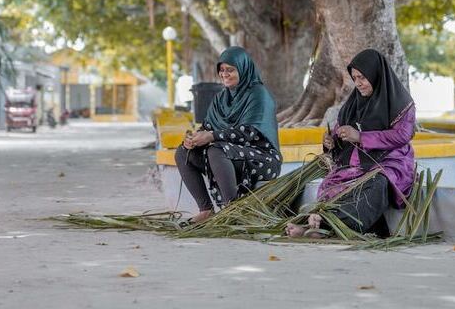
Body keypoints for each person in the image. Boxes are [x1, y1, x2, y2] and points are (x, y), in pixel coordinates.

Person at [287, 49, 416, 238]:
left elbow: (402, 135)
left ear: (376, 74)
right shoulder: (355, 102)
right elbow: (343, 130)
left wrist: (361, 137)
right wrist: (332, 141)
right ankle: (320, 225)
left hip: (389, 163)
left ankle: (326, 228)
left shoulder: (401, 102)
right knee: (331, 185)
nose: (358, 83)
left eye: (362, 77)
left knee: (377, 185)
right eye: (354, 78)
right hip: (357, 165)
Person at [175, 46, 281, 224]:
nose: (224, 74)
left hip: (262, 158)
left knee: (217, 149)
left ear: (243, 68)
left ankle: (233, 210)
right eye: (222, 70)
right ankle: (206, 210)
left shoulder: (258, 94)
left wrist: (212, 136)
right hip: (228, 154)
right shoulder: (221, 98)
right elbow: (208, 127)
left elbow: (250, 132)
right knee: (183, 152)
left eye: (230, 70)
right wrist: (194, 139)